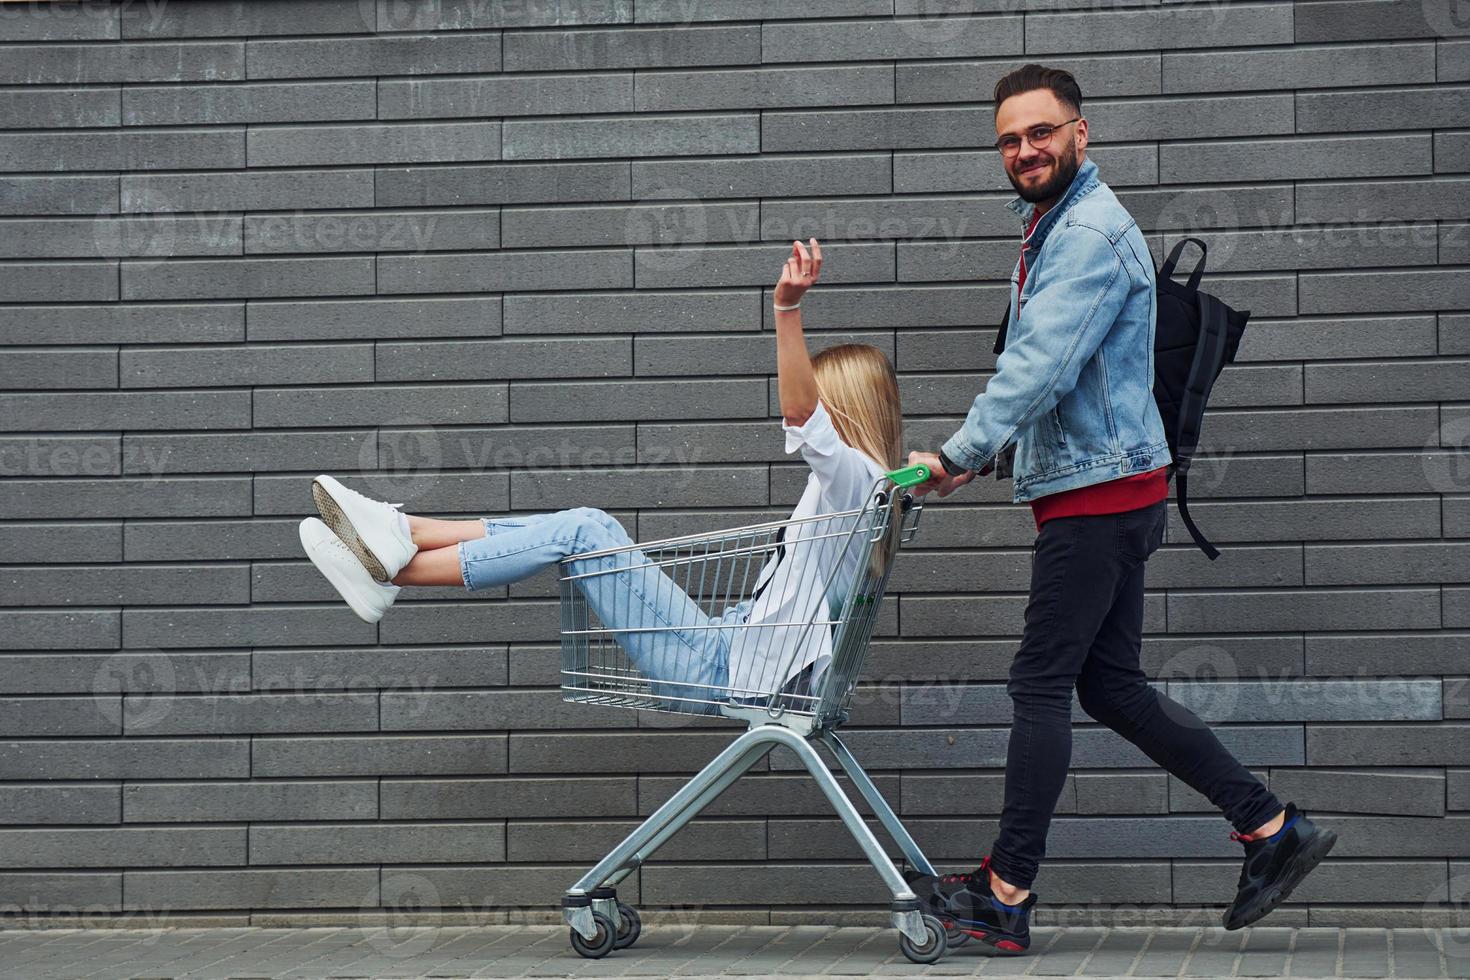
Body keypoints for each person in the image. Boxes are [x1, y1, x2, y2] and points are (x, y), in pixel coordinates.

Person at [904, 64, 1336, 953]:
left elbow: (1040, 366)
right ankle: (1269, 828)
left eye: (1042, 131)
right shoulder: (1054, 228)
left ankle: (1007, 892)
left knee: (1039, 685)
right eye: (1011, 139)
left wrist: (958, 453)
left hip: (1097, 499)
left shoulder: (1091, 234)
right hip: (1108, 489)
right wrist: (1004, 449)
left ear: (1080, 132)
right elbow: (1065, 377)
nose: (1026, 149)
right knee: (1108, 684)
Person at [298, 238, 905, 714]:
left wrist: (787, 309)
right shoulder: (874, 484)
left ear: (845, 406)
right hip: (727, 643)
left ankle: (393, 558)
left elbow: (801, 412)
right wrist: (942, 468)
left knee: (587, 528)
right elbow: (901, 464)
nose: (812, 409)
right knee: (563, 528)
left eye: (826, 400)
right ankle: (398, 538)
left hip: (724, 667)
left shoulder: (855, 477)